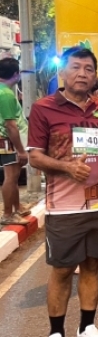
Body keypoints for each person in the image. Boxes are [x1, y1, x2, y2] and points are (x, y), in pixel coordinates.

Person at [28, 47, 98, 337]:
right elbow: (35, 157)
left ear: (95, 75)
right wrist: (67, 167)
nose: (82, 74)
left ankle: (87, 326)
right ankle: (56, 331)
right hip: (65, 207)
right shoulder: (43, 108)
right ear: (62, 72)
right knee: (63, 269)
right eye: (76, 67)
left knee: (92, 265)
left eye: (88, 69)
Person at [0, 57, 30, 225]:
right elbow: (11, 125)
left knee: (14, 175)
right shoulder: (6, 94)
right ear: (16, 74)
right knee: (10, 176)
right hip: (8, 140)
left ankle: (17, 207)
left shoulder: (4, 91)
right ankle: (7, 214)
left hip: (6, 140)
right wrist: (21, 150)